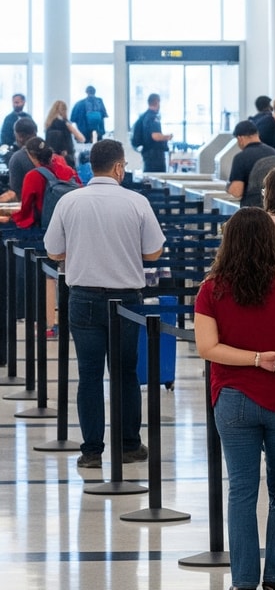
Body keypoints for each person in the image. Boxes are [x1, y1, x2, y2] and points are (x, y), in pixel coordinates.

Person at [192, 208, 275, 590]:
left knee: (242, 489)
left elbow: (206, 347)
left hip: (232, 399)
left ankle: (244, 580)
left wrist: (252, 358)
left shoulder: (211, 288)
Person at [41, 139, 163, 469]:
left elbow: (52, 250)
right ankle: (128, 444)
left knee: (90, 375)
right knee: (124, 374)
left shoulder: (69, 201)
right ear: (119, 167)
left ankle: (92, 451)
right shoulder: (136, 202)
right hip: (125, 300)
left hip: (82, 298)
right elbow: (153, 252)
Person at [13, 137, 77, 233]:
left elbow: (26, 210)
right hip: (72, 224)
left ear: (30, 156)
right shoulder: (68, 170)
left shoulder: (32, 176)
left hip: (47, 229)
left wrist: (13, 217)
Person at [224, 120, 275, 208]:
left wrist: (228, 187)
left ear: (240, 139)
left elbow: (237, 192)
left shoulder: (241, 157)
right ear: (257, 134)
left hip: (252, 212)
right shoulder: (274, 153)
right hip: (274, 208)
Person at [130, 95, 171, 173]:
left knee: (149, 178)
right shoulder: (153, 117)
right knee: (158, 179)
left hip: (147, 153)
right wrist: (168, 137)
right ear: (157, 102)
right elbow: (155, 136)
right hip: (155, 155)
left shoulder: (144, 116)